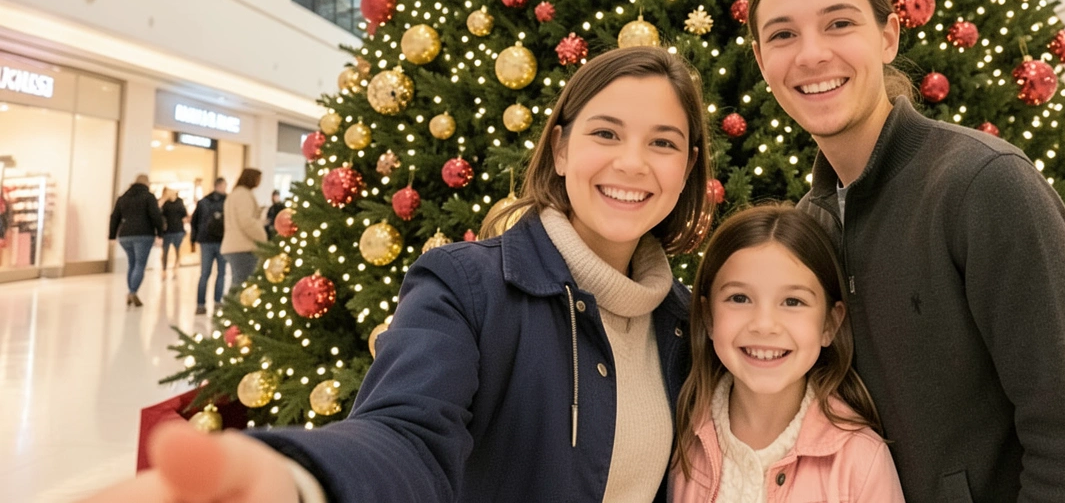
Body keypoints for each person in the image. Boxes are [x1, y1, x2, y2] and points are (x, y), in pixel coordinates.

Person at [83, 46, 713, 502]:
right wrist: (300, 481)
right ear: (561, 148)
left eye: (663, 142)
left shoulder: (683, 325)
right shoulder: (468, 288)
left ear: (687, 168)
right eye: (606, 132)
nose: (633, 163)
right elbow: (406, 433)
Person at [745, 0, 1065, 501]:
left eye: (839, 24)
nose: (810, 55)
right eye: (782, 34)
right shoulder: (811, 227)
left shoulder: (985, 186)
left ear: (888, 36)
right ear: (761, 60)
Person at [671, 205, 902, 501]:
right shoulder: (683, 438)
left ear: (830, 324)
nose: (764, 325)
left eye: (793, 302)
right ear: (708, 316)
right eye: (739, 298)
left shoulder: (860, 461)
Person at [109, 174, 165, 308]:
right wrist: (160, 233)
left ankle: (131, 292)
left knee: (132, 264)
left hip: (125, 235)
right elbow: (156, 215)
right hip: (143, 235)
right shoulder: (148, 197)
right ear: (146, 183)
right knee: (140, 264)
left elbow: (114, 217)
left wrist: (112, 235)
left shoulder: (123, 198)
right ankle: (132, 291)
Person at [222, 169, 270, 291]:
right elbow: (246, 221)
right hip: (243, 246)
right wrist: (262, 239)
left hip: (235, 245)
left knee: (239, 281)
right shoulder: (243, 195)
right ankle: (232, 310)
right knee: (242, 284)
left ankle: (230, 309)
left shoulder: (235, 194)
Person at [191, 178, 228, 315]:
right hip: (221, 241)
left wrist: (194, 239)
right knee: (221, 273)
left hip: (205, 241)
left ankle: (200, 305)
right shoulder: (227, 202)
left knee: (204, 274)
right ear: (221, 185)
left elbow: (194, 222)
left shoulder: (203, 202)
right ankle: (218, 302)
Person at [159, 189, 188, 273]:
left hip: (178, 229)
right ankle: (164, 269)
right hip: (167, 230)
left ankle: (176, 266)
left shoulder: (179, 202)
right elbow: (161, 215)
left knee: (177, 249)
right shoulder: (165, 203)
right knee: (165, 251)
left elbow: (184, 214)